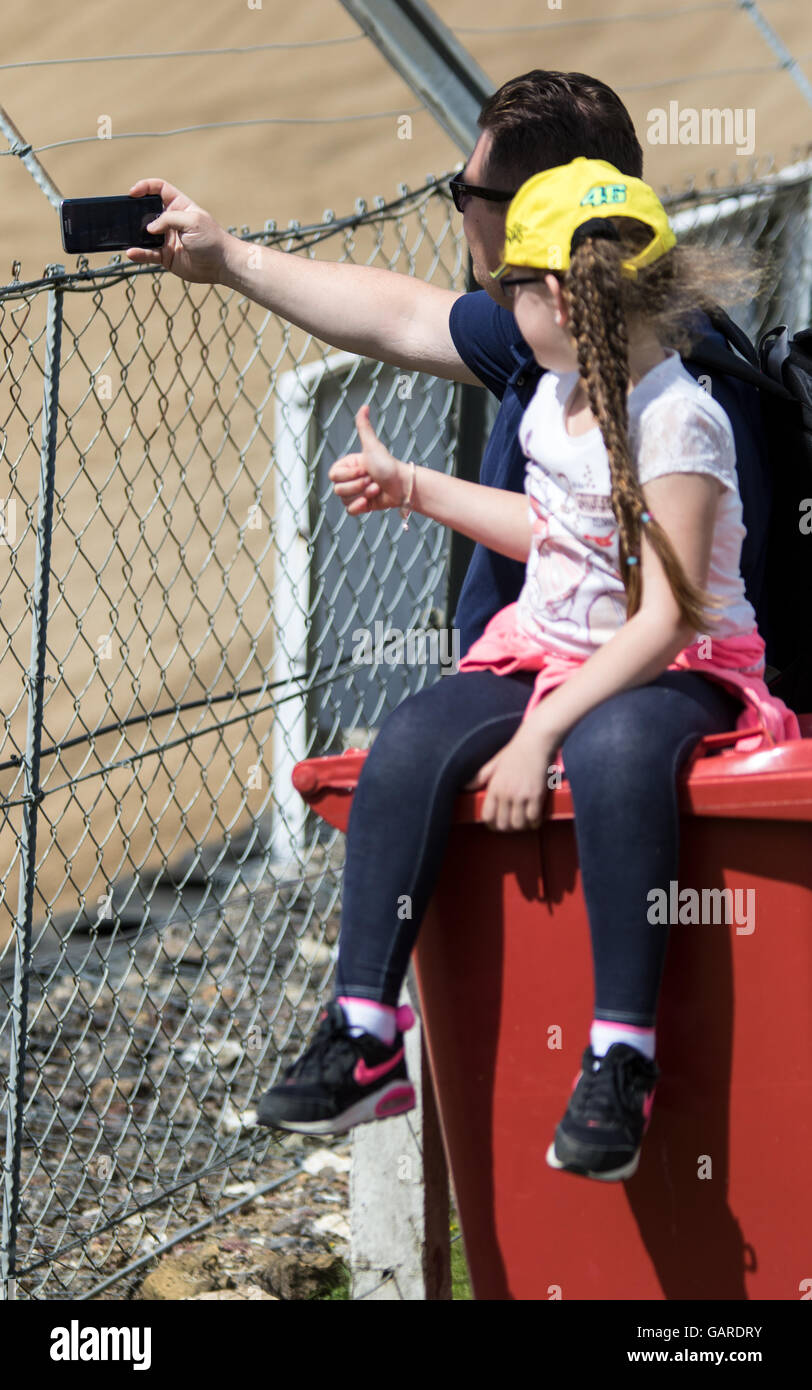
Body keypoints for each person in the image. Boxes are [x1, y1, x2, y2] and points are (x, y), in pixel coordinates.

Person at [254, 158, 800, 1182]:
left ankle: (618, 1053)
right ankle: (365, 1028)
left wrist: (540, 731)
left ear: (551, 294)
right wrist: (416, 486)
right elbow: (556, 536)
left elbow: (667, 614)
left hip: (671, 662)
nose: (497, 306)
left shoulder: (677, 419)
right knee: (412, 736)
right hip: (546, 646)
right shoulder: (556, 397)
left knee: (618, 745)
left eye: (506, 286)